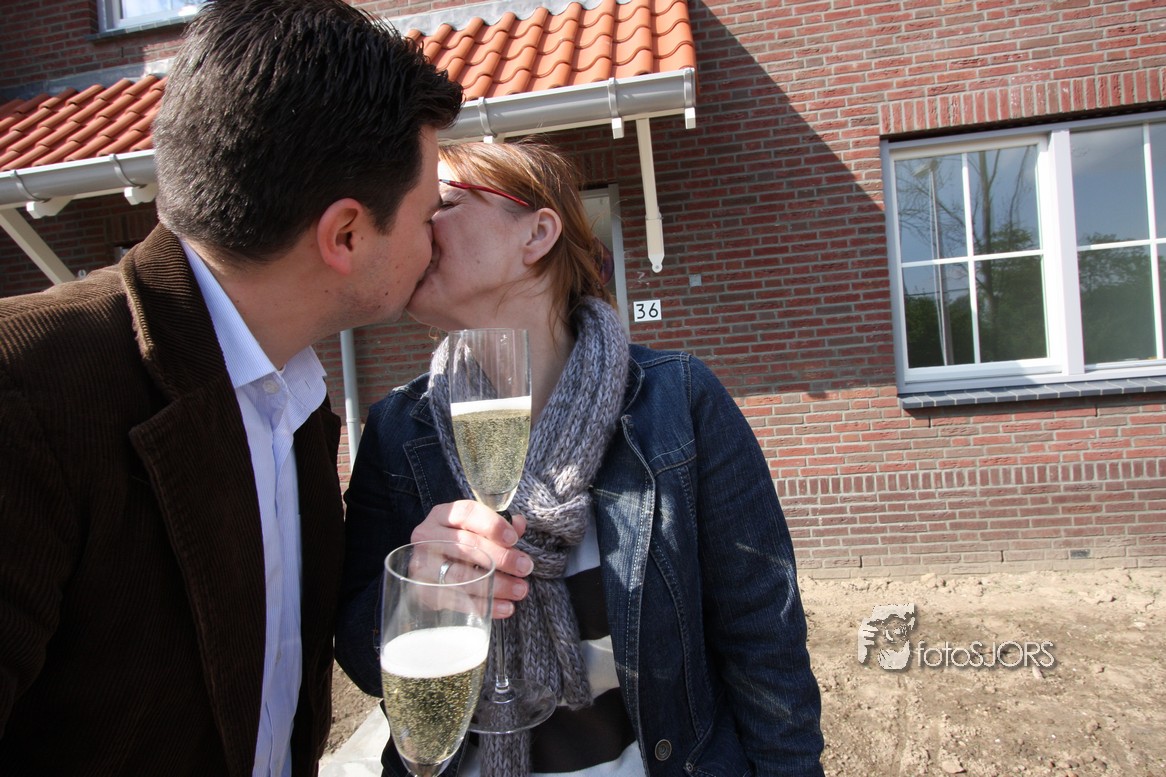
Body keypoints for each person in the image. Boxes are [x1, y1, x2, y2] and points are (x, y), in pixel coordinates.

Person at [0, 1, 462, 774]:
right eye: (428, 216)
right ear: (346, 235)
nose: (438, 240)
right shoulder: (25, 392)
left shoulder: (295, 402)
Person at [336, 139, 825, 776]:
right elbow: (359, 659)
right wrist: (417, 594)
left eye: (441, 204)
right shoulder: (400, 432)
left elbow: (764, 637)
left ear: (537, 234)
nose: (415, 227)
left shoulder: (677, 405)